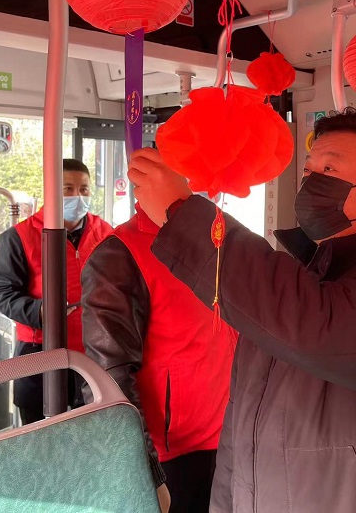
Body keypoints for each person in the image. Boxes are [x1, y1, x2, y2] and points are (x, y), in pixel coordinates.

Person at [127, 108, 356, 513]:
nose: (311, 180)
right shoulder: (293, 281)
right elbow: (241, 425)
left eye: (329, 169)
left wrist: (182, 214)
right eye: (308, 170)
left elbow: (319, 327)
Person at [80, 202, 237, 513]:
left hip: (232, 436)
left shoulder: (222, 236)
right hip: (173, 455)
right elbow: (107, 378)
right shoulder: (119, 254)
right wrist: (144, 470)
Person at [0, 158, 112, 425]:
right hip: (38, 350)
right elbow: (2, 294)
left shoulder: (106, 233)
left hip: (94, 349)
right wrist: (41, 312)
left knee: (90, 431)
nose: (77, 196)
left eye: (84, 189)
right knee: (40, 435)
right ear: (51, 190)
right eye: (68, 189)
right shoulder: (18, 237)